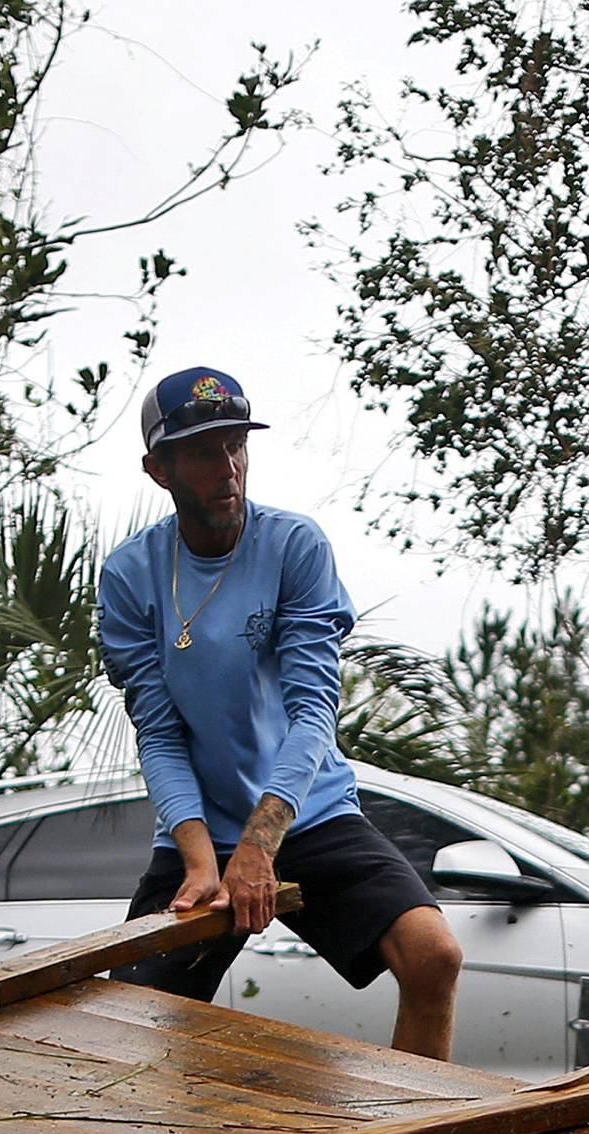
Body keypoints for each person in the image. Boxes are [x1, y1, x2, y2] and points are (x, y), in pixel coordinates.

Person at [97, 364, 462, 1058]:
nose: (229, 467)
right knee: (133, 1025)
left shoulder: (294, 546)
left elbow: (313, 711)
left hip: (309, 809)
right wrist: (203, 862)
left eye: (237, 445)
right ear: (159, 469)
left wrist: (261, 844)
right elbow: (161, 733)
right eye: (205, 452)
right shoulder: (130, 576)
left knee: (433, 956)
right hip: (201, 832)